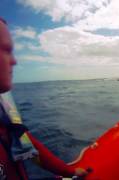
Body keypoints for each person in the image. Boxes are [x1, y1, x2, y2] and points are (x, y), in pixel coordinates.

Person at [0, 17, 89, 179]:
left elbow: (29, 146)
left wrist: (69, 172)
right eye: (5, 50)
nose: (14, 61)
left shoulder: (3, 114)